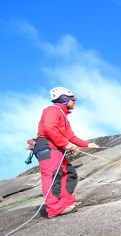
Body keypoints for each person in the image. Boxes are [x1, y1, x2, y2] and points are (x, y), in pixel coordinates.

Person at [33, 87, 99, 218]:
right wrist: (65, 144)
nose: (74, 102)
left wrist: (87, 144)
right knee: (52, 176)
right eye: (72, 100)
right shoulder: (52, 110)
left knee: (69, 174)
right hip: (48, 146)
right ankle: (54, 208)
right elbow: (49, 127)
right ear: (65, 100)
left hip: (56, 148)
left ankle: (66, 202)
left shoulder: (63, 115)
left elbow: (70, 136)